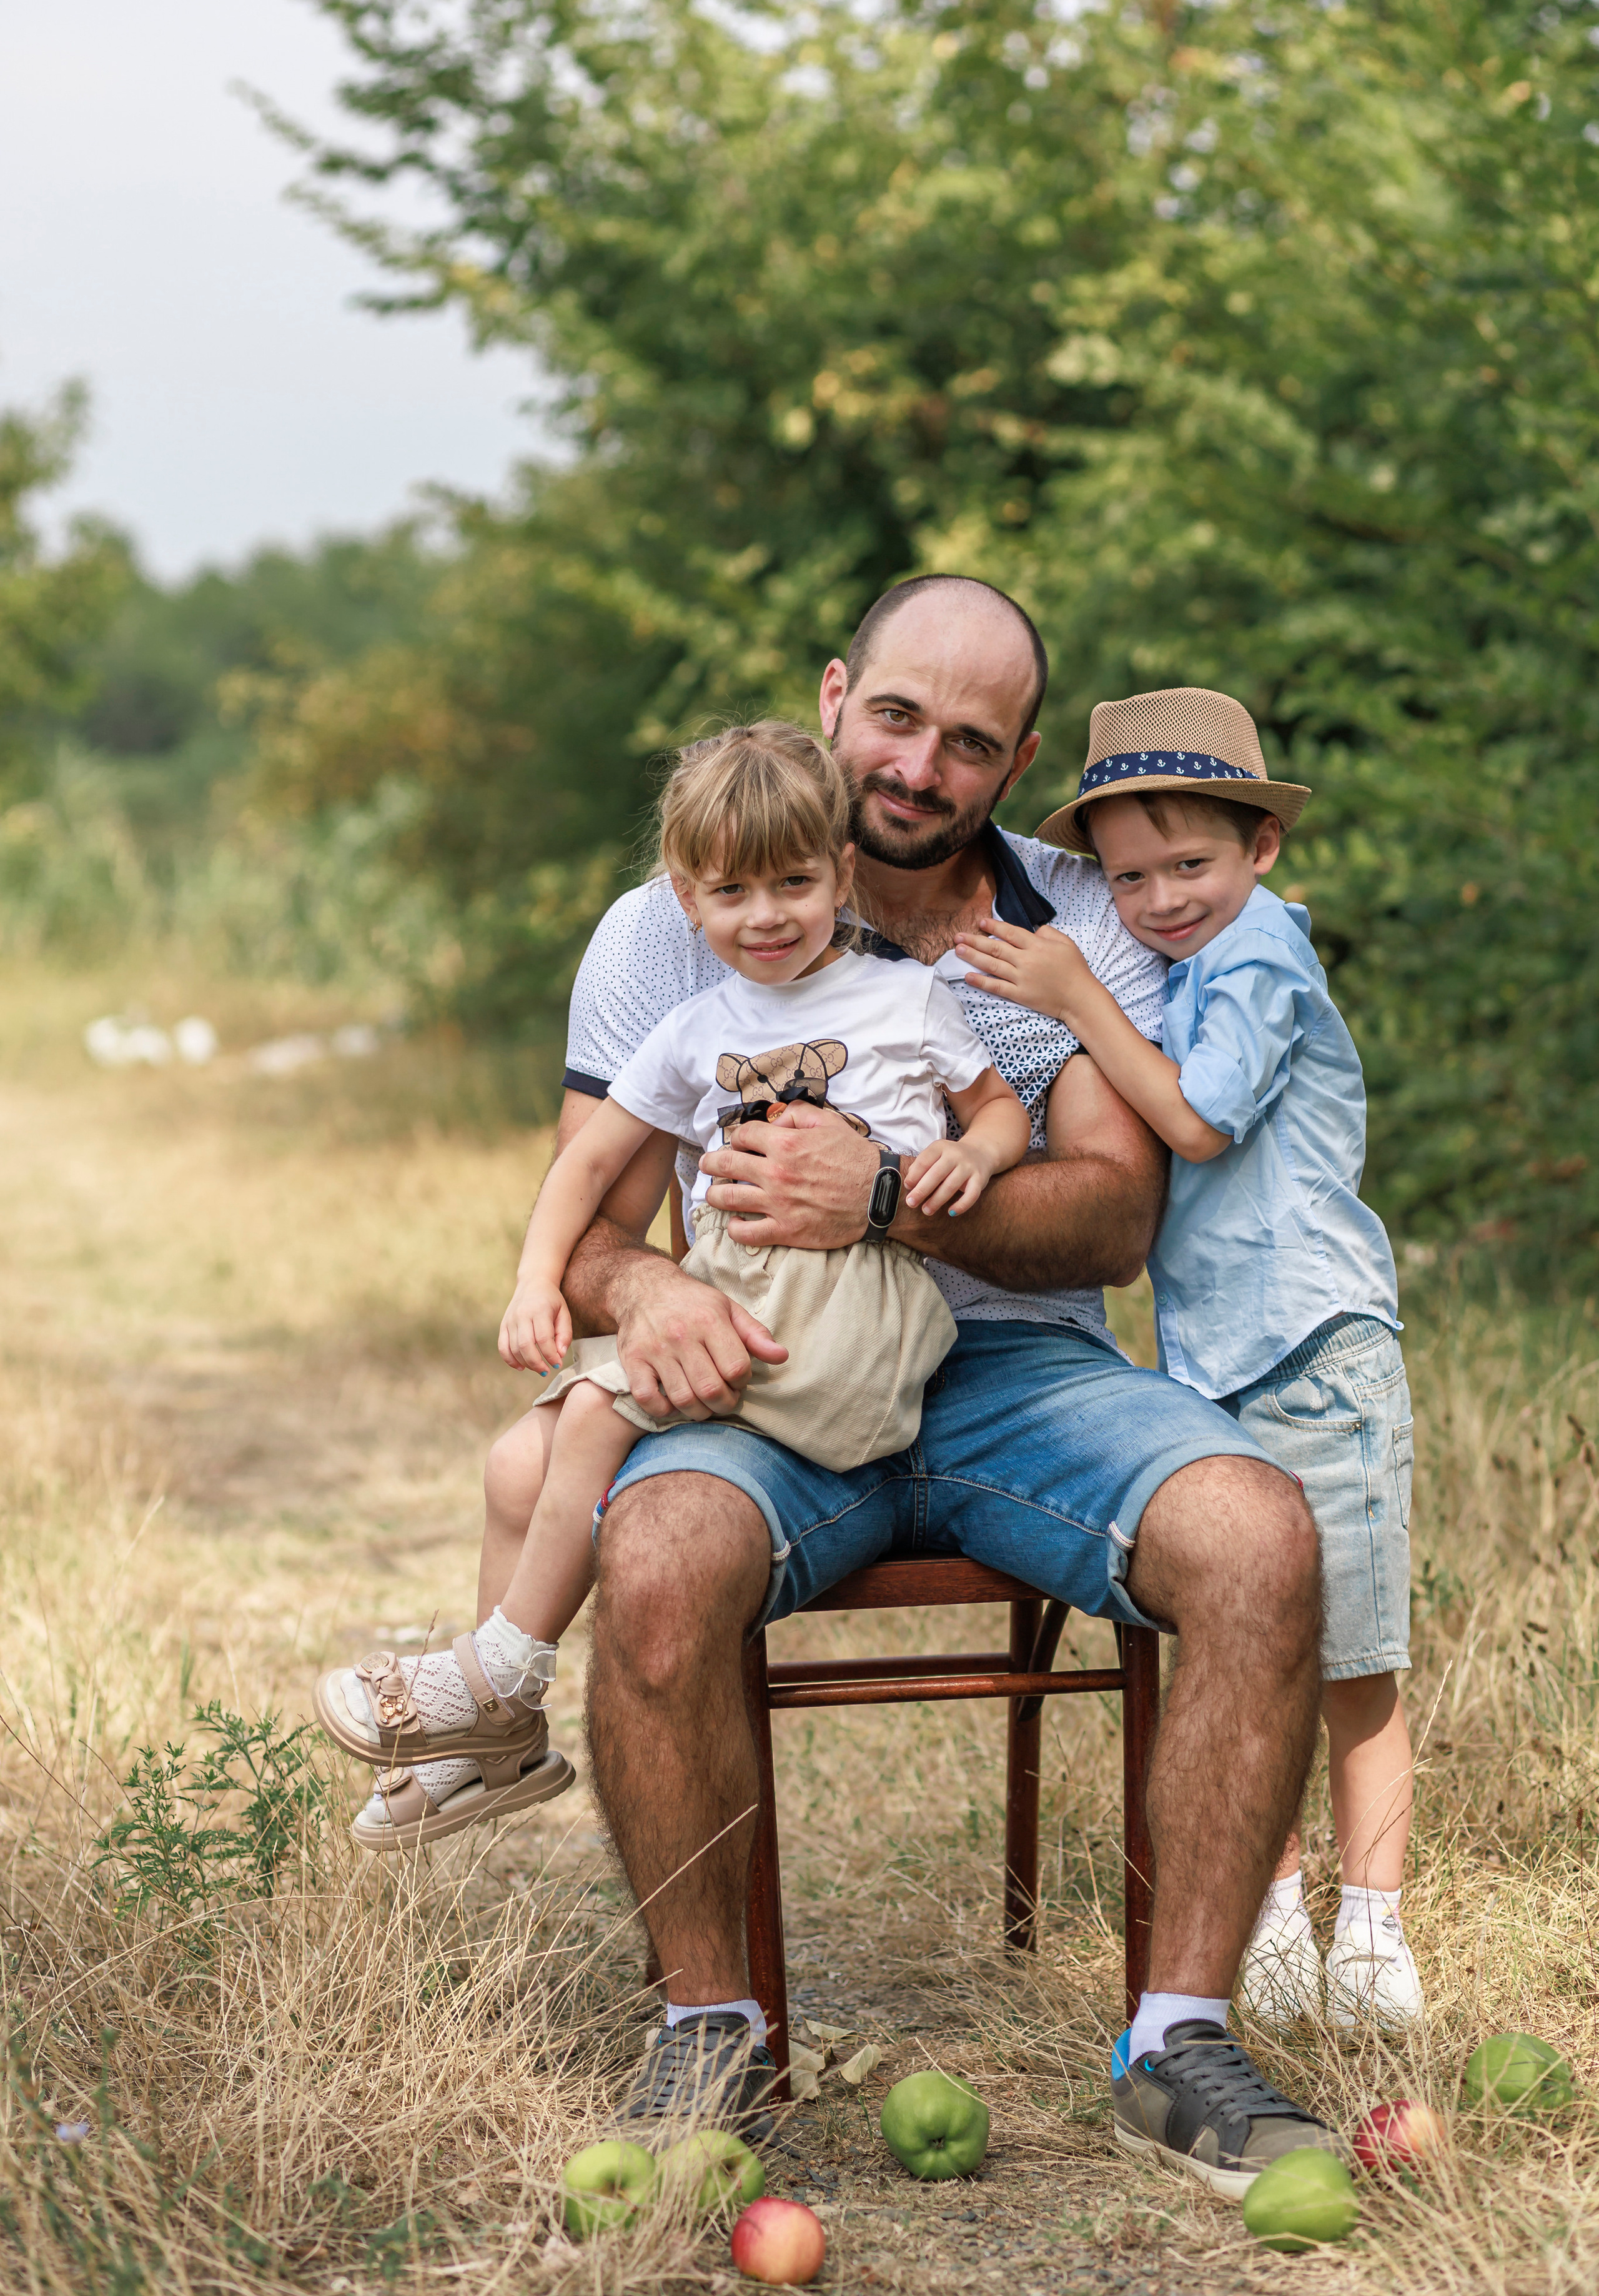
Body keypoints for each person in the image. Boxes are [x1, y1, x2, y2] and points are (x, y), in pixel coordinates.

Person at [525, 576, 1340, 2195]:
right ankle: (714, 2033)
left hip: (1016, 1367)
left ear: (1016, 756)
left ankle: (1178, 2043)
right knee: (658, 1558)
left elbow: (1115, 1212)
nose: (919, 765)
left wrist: (887, 1197)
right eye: (897, 717)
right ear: (837, 700)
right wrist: (657, 1286)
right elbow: (591, 1222)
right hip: (769, 1373)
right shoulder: (671, 924)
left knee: (1259, 1536)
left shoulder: (1078, 914)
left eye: (969, 742)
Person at [314, 720, 1029, 1846]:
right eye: (732, 892)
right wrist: (534, 1281)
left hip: (853, 1325)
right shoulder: (697, 1027)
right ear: (686, 901)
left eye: (795, 881)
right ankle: (499, 1744)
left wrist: (971, 1158)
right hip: (749, 1305)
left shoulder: (904, 999)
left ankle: (498, 1671)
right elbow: (589, 1165)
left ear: (842, 873)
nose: (767, 915)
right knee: (517, 1461)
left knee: (598, 1409)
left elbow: (998, 1108)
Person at [957, 685, 1420, 2032]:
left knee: (1350, 1657)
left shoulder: (1260, 953)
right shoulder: (1187, 960)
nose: (1159, 898)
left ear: (1258, 851)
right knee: (1248, 1636)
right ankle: (1268, 1911)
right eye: (1128, 877)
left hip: (1312, 1343)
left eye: (1191, 866)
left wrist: (1072, 992)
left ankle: (1374, 1928)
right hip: (1213, 1363)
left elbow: (1198, 1124)